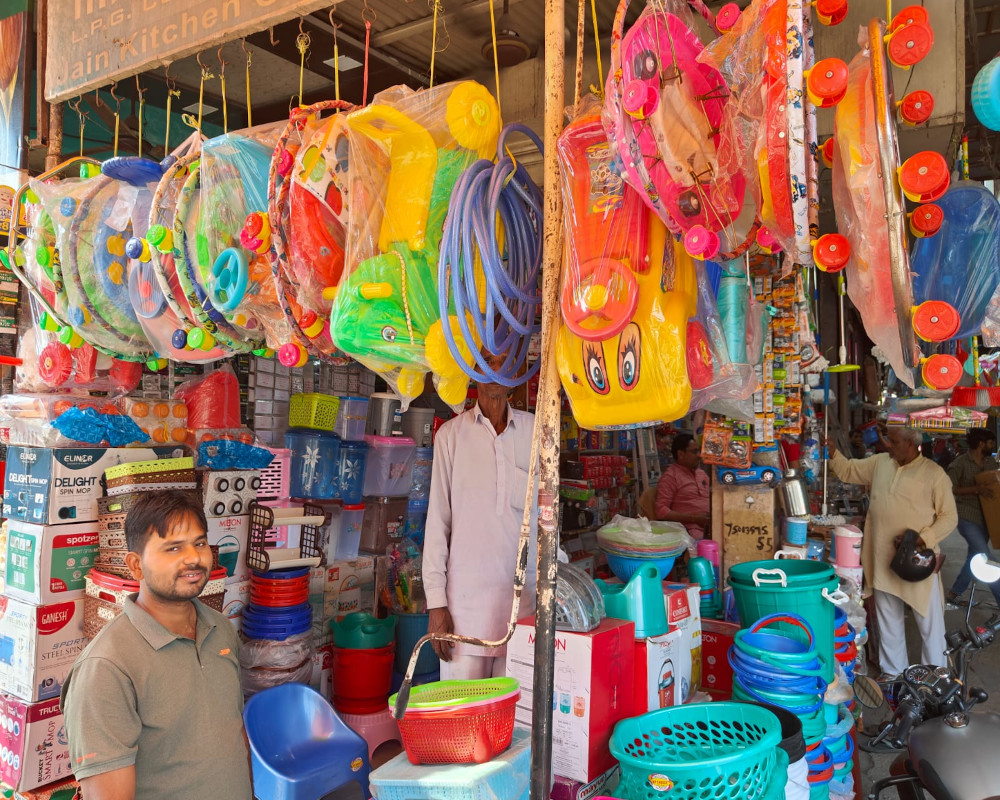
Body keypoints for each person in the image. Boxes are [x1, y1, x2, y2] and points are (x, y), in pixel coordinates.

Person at [61, 491, 252, 800]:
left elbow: (233, 735)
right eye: (173, 548)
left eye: (200, 543)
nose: (193, 557)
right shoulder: (106, 668)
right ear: (136, 566)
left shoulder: (220, 630)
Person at [423, 352, 539, 680]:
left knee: (517, 725)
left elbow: (549, 520)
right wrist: (436, 604)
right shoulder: (451, 436)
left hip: (523, 609)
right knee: (463, 722)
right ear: (472, 371)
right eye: (486, 360)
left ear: (517, 376)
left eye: (504, 361)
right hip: (464, 613)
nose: (494, 370)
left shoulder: (535, 432)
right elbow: (437, 523)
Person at [828, 426, 958, 678]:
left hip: (917, 561)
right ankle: (894, 675)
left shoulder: (934, 474)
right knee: (889, 622)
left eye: (895, 441)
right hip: (882, 559)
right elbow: (848, 471)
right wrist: (833, 452)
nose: (888, 445)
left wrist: (923, 538)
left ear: (912, 443)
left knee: (929, 624)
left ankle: (937, 677)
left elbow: (949, 517)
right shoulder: (880, 463)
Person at [946, 429, 999, 609]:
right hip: (966, 516)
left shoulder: (990, 461)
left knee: (975, 556)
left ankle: (954, 592)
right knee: (987, 558)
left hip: (986, 517)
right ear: (981, 444)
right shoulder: (959, 463)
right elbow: (951, 488)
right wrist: (976, 489)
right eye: (991, 443)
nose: (993, 446)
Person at [654, 433, 710, 543]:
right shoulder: (670, 477)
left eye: (699, 451)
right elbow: (661, 511)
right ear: (680, 454)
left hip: (711, 525)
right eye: (694, 452)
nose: (699, 455)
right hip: (689, 530)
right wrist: (694, 518)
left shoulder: (701, 473)